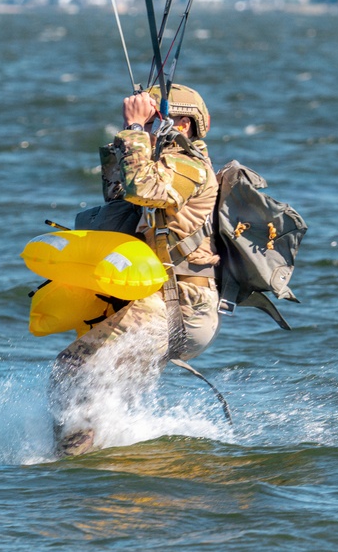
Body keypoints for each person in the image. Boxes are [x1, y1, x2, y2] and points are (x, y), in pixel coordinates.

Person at [50, 82, 221, 456]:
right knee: (95, 387)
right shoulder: (159, 163)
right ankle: (99, 456)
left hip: (180, 305)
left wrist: (136, 130)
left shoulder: (190, 167)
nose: (148, 124)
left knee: (70, 370)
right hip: (155, 301)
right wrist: (130, 139)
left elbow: (143, 187)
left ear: (184, 125)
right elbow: (120, 194)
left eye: (158, 118)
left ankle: (69, 465)